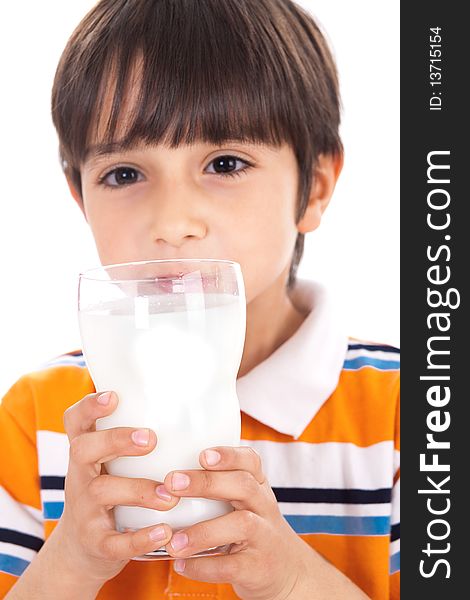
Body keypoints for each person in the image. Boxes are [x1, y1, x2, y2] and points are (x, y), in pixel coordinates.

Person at [0, 0, 400, 598]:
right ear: (80, 199)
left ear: (314, 188)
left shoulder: (401, 412)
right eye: (125, 175)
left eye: (225, 162)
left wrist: (292, 579)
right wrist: (73, 563)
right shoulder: (40, 422)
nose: (173, 222)